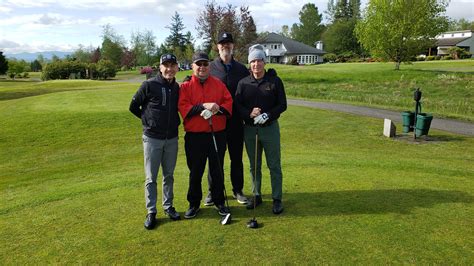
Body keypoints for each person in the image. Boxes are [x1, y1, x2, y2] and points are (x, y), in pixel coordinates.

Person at [178, 51, 233, 219]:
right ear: (192, 66)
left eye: (205, 64)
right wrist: (203, 106)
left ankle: (219, 201)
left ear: (209, 66)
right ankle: (194, 203)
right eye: (198, 64)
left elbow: (228, 104)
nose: (202, 67)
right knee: (195, 171)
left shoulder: (218, 84)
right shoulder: (185, 86)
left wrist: (217, 108)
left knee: (216, 169)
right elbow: (184, 107)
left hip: (217, 134)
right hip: (195, 137)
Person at [129, 53, 181, 230]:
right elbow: (133, 106)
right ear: (160, 67)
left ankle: (168, 207)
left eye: (172, 65)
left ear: (176, 67)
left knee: (169, 175)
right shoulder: (149, 85)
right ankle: (151, 211)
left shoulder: (177, 88)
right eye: (166, 65)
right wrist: (148, 121)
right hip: (152, 139)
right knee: (151, 177)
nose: (169, 69)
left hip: (172, 138)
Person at [235, 44, 287, 214]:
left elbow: (282, 105)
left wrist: (268, 115)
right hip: (250, 130)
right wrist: (249, 113)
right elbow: (237, 105)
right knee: (254, 165)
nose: (256, 64)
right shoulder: (243, 83)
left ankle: (277, 199)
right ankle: (256, 195)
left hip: (270, 128)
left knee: (274, 165)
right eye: (253, 61)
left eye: (259, 61)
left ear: (264, 62)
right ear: (249, 64)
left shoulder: (274, 81)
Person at [204, 32, 249, 206]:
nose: (225, 46)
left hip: (236, 121)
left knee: (236, 158)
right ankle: (213, 192)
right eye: (222, 44)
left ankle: (238, 190)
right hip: (217, 123)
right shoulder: (211, 67)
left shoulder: (241, 69)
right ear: (217, 47)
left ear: (233, 46)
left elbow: (251, 85)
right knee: (216, 159)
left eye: (229, 43)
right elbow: (196, 80)